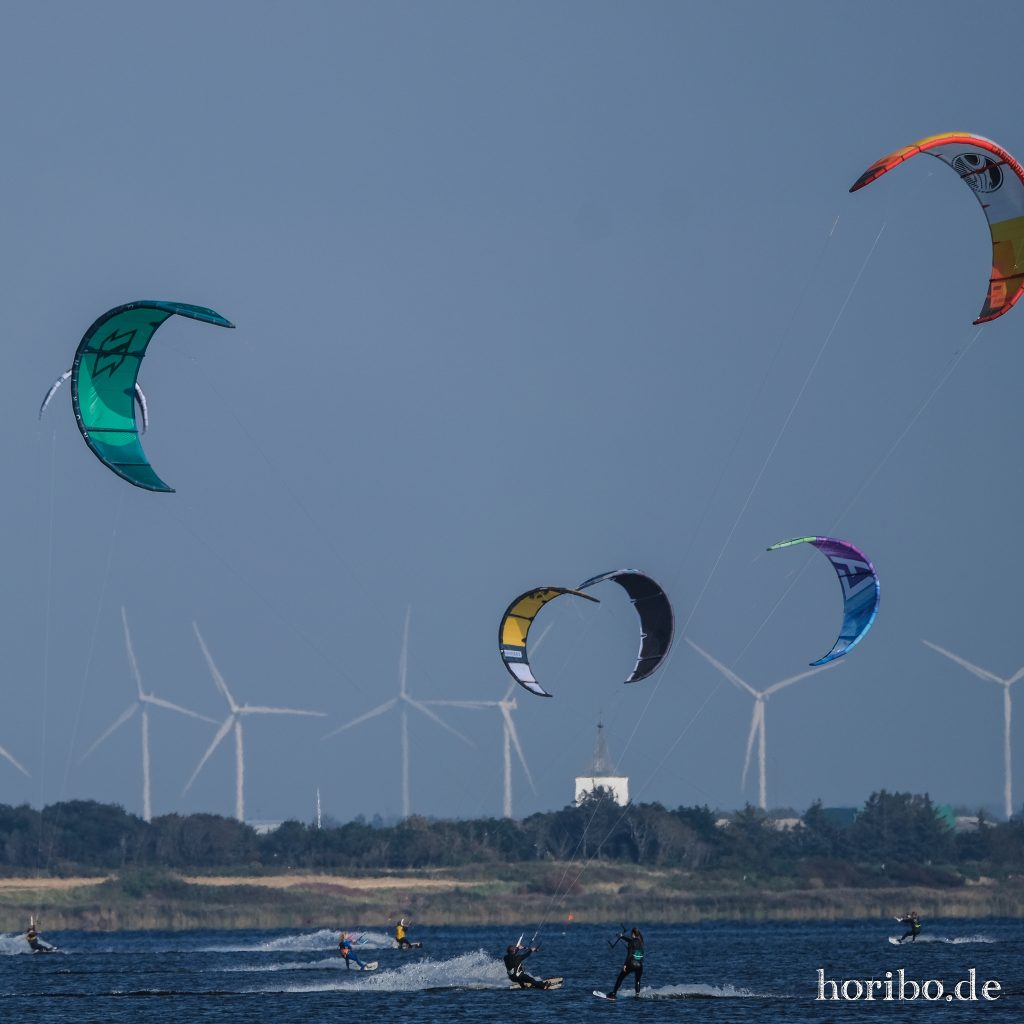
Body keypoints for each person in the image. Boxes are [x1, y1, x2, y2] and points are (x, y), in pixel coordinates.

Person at [607, 926, 644, 999]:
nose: (630, 935)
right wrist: (622, 937)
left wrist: (625, 965)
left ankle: (613, 994)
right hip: (640, 965)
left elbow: (629, 954)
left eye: (631, 934)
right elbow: (631, 941)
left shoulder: (632, 942)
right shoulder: (640, 942)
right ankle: (637, 995)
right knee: (637, 980)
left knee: (620, 978)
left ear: (633, 934)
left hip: (632, 963)